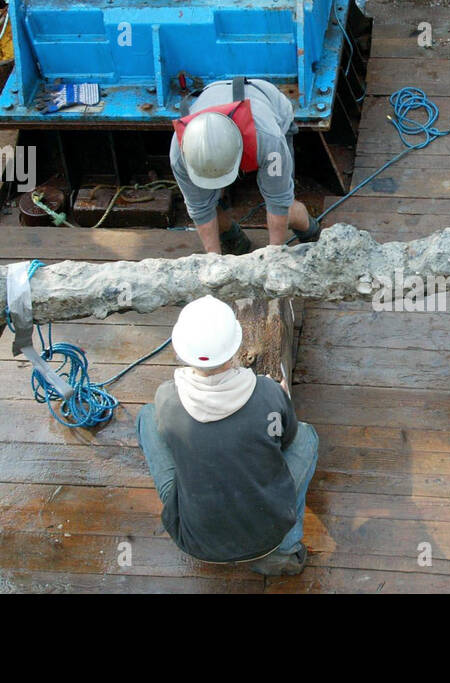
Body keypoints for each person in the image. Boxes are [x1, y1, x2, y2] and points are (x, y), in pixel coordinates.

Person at [136, 295, 319, 576]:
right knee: (307, 436)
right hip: (265, 532)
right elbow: (289, 438)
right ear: (236, 347)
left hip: (195, 539)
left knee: (148, 416)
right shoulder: (267, 393)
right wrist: (277, 400)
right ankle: (283, 551)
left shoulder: (168, 398)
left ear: (180, 349)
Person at [169, 78, 318, 255]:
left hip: (268, 106)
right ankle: (235, 242)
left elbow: (278, 202)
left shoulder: (269, 140)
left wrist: (274, 258)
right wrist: (213, 262)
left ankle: (312, 233)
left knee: (290, 211)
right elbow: (200, 209)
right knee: (213, 213)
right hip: (215, 96)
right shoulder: (180, 155)